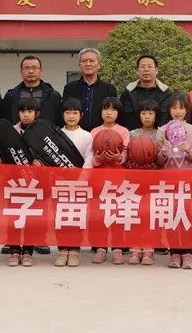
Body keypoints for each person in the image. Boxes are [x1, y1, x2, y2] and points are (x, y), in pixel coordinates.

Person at [156, 93, 192, 270]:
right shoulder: (162, 131)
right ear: (169, 110)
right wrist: (163, 153)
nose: (177, 111)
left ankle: (187, 252)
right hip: (168, 180)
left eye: (181, 108)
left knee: (187, 215)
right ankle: (174, 252)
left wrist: (188, 150)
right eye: (174, 108)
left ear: (186, 110)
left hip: (188, 181)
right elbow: (157, 161)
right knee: (171, 216)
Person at [90, 97, 131, 266]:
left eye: (113, 110)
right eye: (106, 109)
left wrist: (119, 158)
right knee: (100, 213)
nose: (109, 112)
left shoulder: (124, 131)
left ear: (118, 113)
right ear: (100, 112)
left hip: (118, 176)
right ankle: (101, 247)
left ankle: (117, 248)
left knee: (117, 212)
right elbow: (90, 155)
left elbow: (127, 152)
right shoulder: (94, 132)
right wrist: (97, 160)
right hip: (99, 177)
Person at [55, 98, 94, 268]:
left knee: (76, 216)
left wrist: (81, 180)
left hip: (79, 184)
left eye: (75, 113)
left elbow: (89, 158)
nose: (71, 116)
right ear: (62, 115)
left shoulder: (87, 136)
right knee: (61, 217)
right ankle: (62, 250)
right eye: (67, 112)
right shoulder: (56, 134)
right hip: (61, 183)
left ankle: (74, 251)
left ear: (81, 115)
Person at [126, 100, 161, 266]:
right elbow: (127, 157)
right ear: (139, 115)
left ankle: (149, 249)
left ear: (156, 115)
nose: (147, 116)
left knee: (150, 215)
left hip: (154, 181)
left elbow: (162, 158)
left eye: (151, 113)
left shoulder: (161, 133)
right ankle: (134, 248)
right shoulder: (133, 134)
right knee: (136, 214)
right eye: (144, 113)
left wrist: (154, 162)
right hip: (135, 181)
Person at [9, 98, 41, 267]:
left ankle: (28, 251)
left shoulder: (42, 132)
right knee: (13, 216)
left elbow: (47, 154)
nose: (26, 115)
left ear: (37, 114)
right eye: (22, 111)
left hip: (34, 182)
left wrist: (41, 163)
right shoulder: (12, 131)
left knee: (31, 218)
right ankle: (14, 250)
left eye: (29, 111)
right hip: (14, 181)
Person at [62, 48, 118, 132]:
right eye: (84, 61)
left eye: (92, 61)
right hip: (75, 134)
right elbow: (65, 112)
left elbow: (113, 114)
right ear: (80, 65)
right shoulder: (69, 88)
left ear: (99, 65)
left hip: (101, 134)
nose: (88, 64)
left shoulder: (109, 89)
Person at [2, 55, 63, 127]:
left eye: (34, 68)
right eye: (26, 68)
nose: (31, 71)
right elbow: (5, 122)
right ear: (21, 71)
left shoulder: (53, 95)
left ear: (41, 71)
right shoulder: (11, 95)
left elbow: (59, 122)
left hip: (46, 133)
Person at [119, 54, 172, 130]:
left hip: (159, 136)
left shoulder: (166, 94)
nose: (146, 69)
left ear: (156, 71)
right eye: (142, 66)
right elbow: (120, 118)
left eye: (150, 66)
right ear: (137, 71)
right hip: (132, 136)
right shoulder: (127, 93)